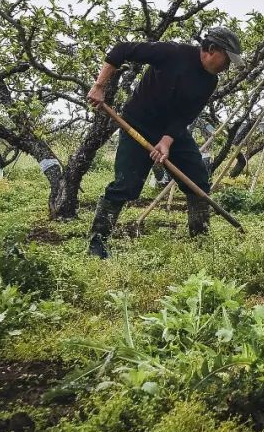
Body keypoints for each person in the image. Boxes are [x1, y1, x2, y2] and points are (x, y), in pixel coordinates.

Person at [85, 27, 243, 259]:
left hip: (172, 131)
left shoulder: (209, 82)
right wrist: (99, 86)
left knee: (198, 178)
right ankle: (97, 243)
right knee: (126, 184)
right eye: (227, 59)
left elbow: (186, 116)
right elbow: (120, 50)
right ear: (211, 50)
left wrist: (167, 141)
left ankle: (200, 237)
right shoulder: (172, 53)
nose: (227, 66)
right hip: (137, 124)